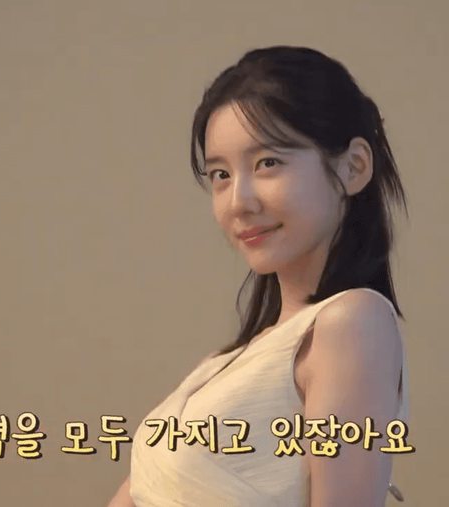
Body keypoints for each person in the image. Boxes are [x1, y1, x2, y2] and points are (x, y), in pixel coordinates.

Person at [107, 45, 410, 507]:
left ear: (354, 167)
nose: (238, 202)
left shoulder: (350, 323)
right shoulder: (226, 364)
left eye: (268, 163)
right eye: (220, 175)